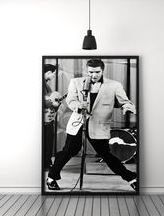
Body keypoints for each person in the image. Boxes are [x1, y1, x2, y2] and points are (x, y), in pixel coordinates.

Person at [46, 59, 137, 190]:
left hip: (99, 125)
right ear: (87, 71)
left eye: (97, 72)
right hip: (78, 123)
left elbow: (125, 102)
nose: (94, 75)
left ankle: (132, 178)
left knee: (106, 155)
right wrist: (78, 106)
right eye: (91, 72)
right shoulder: (76, 82)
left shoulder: (114, 85)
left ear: (102, 70)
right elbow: (71, 99)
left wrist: (128, 107)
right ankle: (51, 178)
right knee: (68, 151)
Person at [43, 64, 62, 168]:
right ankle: (45, 163)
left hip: (48, 120)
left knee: (48, 142)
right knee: (46, 142)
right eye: (53, 74)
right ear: (48, 73)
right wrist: (52, 104)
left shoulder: (46, 85)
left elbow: (49, 98)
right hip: (43, 121)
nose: (54, 76)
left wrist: (56, 102)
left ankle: (47, 162)